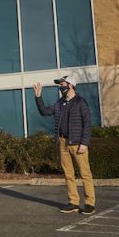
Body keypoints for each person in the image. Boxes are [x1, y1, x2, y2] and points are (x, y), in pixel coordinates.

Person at [34, 75, 96, 215]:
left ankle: (89, 203)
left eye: (62, 84)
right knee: (68, 174)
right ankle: (73, 202)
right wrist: (38, 96)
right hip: (62, 142)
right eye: (59, 84)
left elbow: (87, 124)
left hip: (77, 143)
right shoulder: (60, 103)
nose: (60, 87)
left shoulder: (81, 102)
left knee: (85, 173)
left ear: (71, 85)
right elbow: (44, 111)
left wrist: (84, 143)